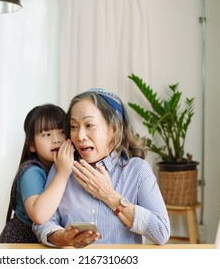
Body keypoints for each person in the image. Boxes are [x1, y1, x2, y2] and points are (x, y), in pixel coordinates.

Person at [33, 88, 170, 248]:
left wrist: (110, 196)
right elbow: (42, 224)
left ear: (113, 129)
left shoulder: (137, 170)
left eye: (89, 125)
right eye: (74, 126)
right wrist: (65, 238)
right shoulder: (63, 168)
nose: (80, 136)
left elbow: (161, 232)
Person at [0, 104, 74, 243]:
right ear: (32, 145)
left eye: (62, 132)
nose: (56, 139)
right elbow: (39, 215)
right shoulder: (32, 171)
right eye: (47, 134)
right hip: (23, 242)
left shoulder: (62, 165)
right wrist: (62, 174)